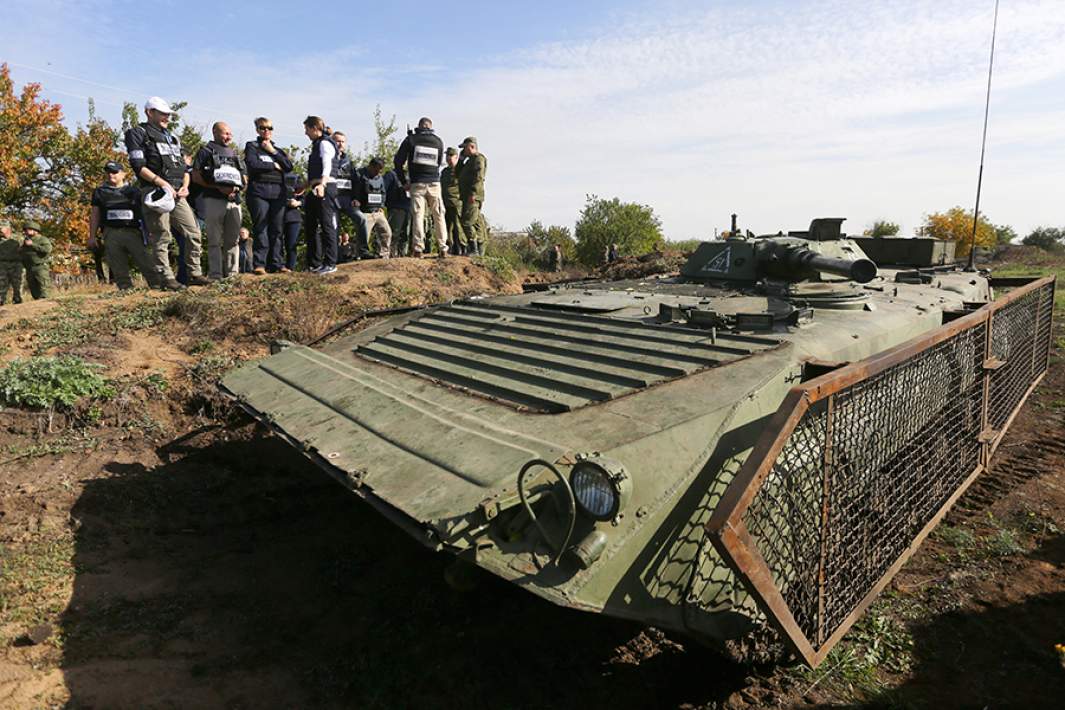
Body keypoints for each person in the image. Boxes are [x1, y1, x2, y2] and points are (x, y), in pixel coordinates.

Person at [124, 96, 208, 289]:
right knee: (161, 234)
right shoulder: (137, 133)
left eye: (168, 115)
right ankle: (166, 278)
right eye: (162, 114)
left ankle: (194, 273)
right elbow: (138, 167)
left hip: (178, 193)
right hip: (155, 192)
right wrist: (161, 183)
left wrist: (186, 185)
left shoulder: (173, 137)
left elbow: (185, 167)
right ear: (149, 112)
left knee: (193, 233)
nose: (166, 118)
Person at [89, 161, 157, 290]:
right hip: (111, 232)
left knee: (145, 262)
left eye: (114, 172)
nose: (111, 175)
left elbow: (143, 213)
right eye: (108, 172)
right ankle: (126, 290)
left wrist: (150, 232)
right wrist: (92, 236)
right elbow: (95, 215)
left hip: (133, 232)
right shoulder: (99, 192)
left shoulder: (134, 191)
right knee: (117, 265)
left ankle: (157, 287)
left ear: (123, 174)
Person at [193, 121, 247, 280]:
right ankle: (215, 275)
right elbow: (196, 176)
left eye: (230, 133)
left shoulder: (234, 153)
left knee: (233, 240)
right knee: (214, 240)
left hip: (234, 202)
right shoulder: (205, 151)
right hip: (213, 200)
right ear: (215, 132)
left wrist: (236, 189)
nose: (228, 136)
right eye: (225, 133)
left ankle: (232, 275)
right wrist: (217, 187)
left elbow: (245, 177)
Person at [244, 116, 294, 274]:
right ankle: (260, 264)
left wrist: (272, 152)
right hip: (259, 193)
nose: (266, 131)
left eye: (269, 128)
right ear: (257, 130)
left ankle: (277, 264)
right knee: (261, 228)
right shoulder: (252, 146)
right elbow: (252, 164)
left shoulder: (277, 150)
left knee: (277, 230)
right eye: (262, 128)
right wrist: (273, 165)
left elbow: (288, 166)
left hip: (278, 195)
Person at [393, 117, 447, 257]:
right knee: (439, 215)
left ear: (419, 126)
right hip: (435, 182)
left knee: (418, 215)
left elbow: (398, 162)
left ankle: (418, 248)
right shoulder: (438, 141)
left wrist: (403, 181)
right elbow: (439, 161)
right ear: (430, 126)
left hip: (417, 183)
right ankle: (443, 247)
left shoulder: (411, 140)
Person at [302, 115, 339, 275]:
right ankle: (314, 263)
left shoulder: (324, 143)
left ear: (314, 128)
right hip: (315, 186)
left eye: (307, 130)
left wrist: (322, 184)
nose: (306, 133)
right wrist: (305, 185)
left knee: (326, 224)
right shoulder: (317, 144)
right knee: (310, 223)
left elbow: (327, 165)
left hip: (326, 186)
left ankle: (330, 263)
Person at [332, 132, 373, 260]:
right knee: (334, 227)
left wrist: (355, 198)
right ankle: (336, 256)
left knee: (361, 219)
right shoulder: (327, 158)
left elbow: (356, 182)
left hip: (347, 200)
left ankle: (363, 251)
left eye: (342, 141)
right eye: (337, 141)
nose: (340, 144)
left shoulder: (349, 161)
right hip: (332, 200)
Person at [354, 157, 392, 258]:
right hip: (365, 212)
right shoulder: (359, 174)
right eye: (376, 170)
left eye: (380, 170)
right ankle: (360, 255)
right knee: (364, 236)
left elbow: (383, 193)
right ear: (371, 166)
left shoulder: (380, 178)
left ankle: (384, 255)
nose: (378, 172)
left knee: (387, 232)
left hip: (378, 211)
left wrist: (382, 206)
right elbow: (355, 191)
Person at [457, 136, 487, 256]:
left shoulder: (478, 159)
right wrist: (461, 160)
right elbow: (458, 174)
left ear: (472, 146)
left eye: (465, 148)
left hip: (473, 197)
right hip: (466, 196)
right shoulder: (469, 161)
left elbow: (479, 177)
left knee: (467, 222)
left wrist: (473, 193)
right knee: (475, 223)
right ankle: (478, 249)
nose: (464, 150)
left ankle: (474, 249)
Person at [440, 147, 465, 255]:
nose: (448, 158)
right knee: (446, 227)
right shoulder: (444, 171)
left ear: (456, 157)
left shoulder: (460, 170)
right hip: (445, 203)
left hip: (456, 202)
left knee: (458, 227)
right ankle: (449, 247)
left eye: (451, 156)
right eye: (447, 156)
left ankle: (461, 248)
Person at [19, 221, 51, 300]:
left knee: (43, 289)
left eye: (28, 229)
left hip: (40, 267)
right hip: (29, 268)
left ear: (35, 230)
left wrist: (33, 245)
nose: (26, 231)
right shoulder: (26, 241)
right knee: (34, 290)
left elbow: (47, 250)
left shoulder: (42, 239)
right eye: (25, 230)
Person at [383, 168, 411, 257]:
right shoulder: (391, 174)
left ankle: (402, 255)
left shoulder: (410, 175)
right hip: (396, 208)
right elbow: (383, 189)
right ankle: (390, 255)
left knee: (405, 235)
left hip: (408, 208)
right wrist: (401, 189)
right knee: (394, 233)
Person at [281, 172, 303, 272]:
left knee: (291, 244)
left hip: (293, 216)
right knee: (277, 242)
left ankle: (290, 267)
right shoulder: (276, 176)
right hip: (277, 215)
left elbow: (304, 196)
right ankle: (278, 265)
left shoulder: (296, 178)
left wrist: (298, 202)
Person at [0, 219, 23, 305]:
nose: (0, 229)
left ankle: (17, 301)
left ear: (8, 228)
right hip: (2, 265)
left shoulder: (18, 239)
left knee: (17, 285)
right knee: (1, 285)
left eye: (2, 227)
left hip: (16, 265)